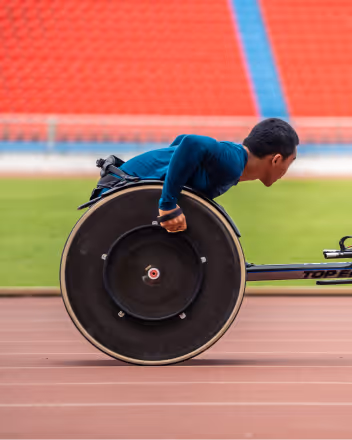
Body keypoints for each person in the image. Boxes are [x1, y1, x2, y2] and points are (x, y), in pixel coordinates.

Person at [94, 118, 298, 233]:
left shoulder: (234, 161)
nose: (287, 170)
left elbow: (181, 141)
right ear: (277, 159)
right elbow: (191, 142)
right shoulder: (233, 162)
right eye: (291, 161)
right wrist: (167, 204)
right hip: (116, 191)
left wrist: (168, 170)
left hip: (118, 185)